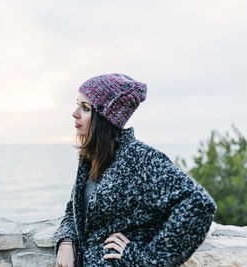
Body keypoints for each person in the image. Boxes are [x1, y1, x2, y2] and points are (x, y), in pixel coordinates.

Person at [53, 73, 217, 267]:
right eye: (77, 104)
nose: (75, 113)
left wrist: (146, 257)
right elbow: (75, 208)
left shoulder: (138, 157)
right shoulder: (91, 158)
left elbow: (199, 203)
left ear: (105, 118)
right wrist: (66, 241)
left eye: (86, 108)